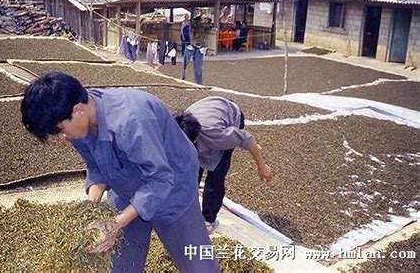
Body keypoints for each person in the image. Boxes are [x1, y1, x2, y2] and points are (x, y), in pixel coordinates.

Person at [21, 72, 220, 272]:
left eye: (60, 129)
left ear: (78, 110)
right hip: (125, 180)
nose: (63, 136)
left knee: (197, 262)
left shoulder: (130, 120)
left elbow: (160, 179)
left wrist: (116, 223)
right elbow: (96, 166)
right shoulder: (78, 121)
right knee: (120, 260)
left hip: (171, 183)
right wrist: (90, 208)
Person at [174, 96, 273, 232]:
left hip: (229, 115)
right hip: (208, 109)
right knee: (191, 172)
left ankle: (209, 219)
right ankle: (187, 210)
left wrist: (262, 165)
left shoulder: (218, 135)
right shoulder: (175, 130)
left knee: (216, 176)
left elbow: (247, 138)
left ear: (196, 139)